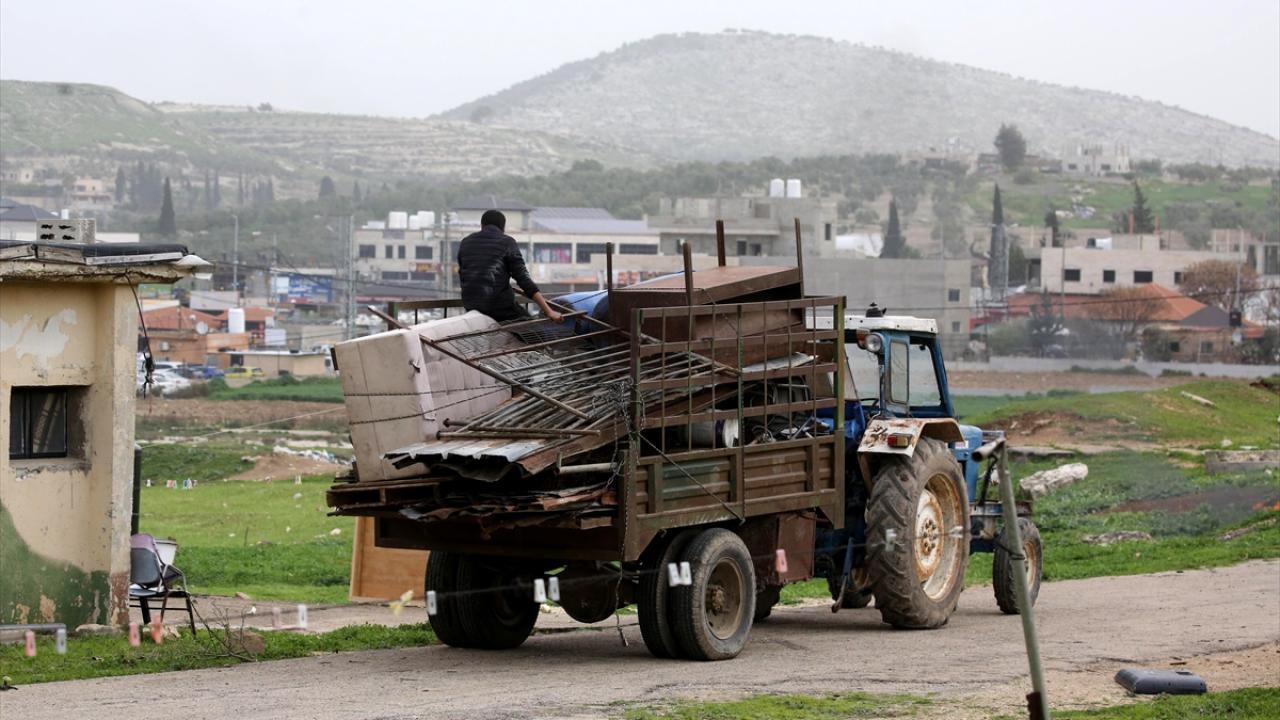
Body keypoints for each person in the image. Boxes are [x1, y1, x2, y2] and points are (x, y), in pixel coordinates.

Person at [456, 209, 562, 323]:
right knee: (532, 327)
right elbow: (523, 279)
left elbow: (464, 274)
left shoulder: (465, 242)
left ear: (482, 225)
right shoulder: (507, 242)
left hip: (471, 307)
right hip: (500, 309)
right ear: (503, 228)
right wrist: (549, 311)